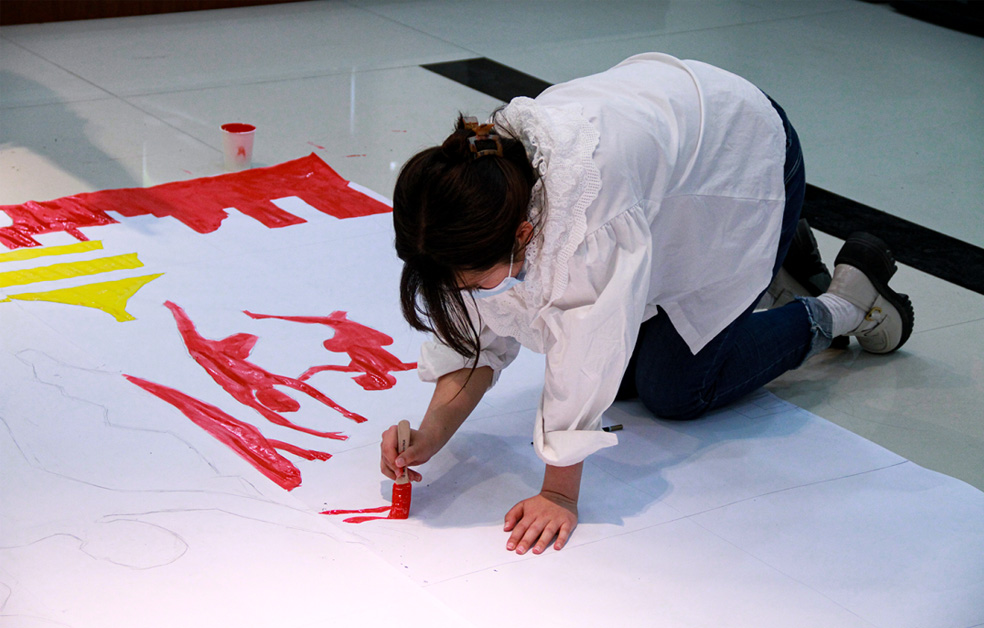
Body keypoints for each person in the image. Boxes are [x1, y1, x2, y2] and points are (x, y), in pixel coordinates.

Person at [379, 52, 914, 556]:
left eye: (474, 283)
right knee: (627, 382)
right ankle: (779, 254)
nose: (470, 296)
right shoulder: (485, 191)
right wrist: (431, 435)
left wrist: (559, 493)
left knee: (675, 388)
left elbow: (587, 354)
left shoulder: (589, 223)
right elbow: (477, 336)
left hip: (748, 160)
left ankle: (842, 303)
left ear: (523, 234)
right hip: (687, 168)